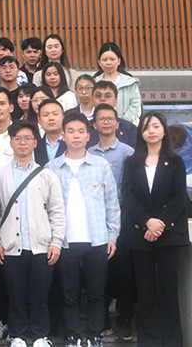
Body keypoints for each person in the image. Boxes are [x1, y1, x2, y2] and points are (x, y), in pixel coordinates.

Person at [0, 121, 65, 347]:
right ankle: (18, 335)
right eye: (18, 138)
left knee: (40, 294)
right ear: (11, 143)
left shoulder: (47, 175)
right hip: (10, 246)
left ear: (35, 142)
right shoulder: (0, 175)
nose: (22, 142)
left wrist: (56, 242)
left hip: (41, 245)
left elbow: (57, 211)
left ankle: (40, 335)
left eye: (27, 138)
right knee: (16, 294)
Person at [46, 112, 120, 347]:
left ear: (89, 136)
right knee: (69, 293)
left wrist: (112, 235)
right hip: (65, 241)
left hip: (97, 239)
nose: (76, 136)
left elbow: (112, 203)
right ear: (63, 136)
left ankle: (95, 334)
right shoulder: (52, 167)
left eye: (80, 131)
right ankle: (73, 335)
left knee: (97, 292)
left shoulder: (100, 165)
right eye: (71, 131)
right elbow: (46, 207)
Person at [121, 112, 189, 347]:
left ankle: (172, 341)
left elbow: (179, 198)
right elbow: (128, 196)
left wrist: (159, 223)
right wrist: (147, 222)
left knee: (168, 291)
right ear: (141, 133)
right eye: (146, 127)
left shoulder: (176, 161)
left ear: (163, 131)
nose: (151, 131)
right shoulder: (132, 163)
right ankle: (149, 340)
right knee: (146, 291)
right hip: (140, 235)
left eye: (156, 126)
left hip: (169, 235)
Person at [87, 103, 135, 341]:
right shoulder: (88, 152)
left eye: (110, 118)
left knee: (123, 270)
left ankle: (125, 319)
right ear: (94, 125)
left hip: (123, 216)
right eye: (101, 119)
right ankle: (102, 320)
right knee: (99, 270)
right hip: (96, 218)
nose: (106, 122)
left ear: (117, 124)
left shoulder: (128, 152)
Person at [95, 42, 141, 125]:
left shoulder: (130, 82)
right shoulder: (94, 83)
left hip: (127, 126)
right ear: (99, 62)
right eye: (104, 60)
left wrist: (121, 123)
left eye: (112, 59)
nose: (108, 63)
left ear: (119, 61)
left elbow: (135, 105)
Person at [90, 81, 138, 147]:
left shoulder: (130, 129)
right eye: (98, 96)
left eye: (107, 96)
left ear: (116, 101)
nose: (102, 99)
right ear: (92, 100)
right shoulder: (84, 128)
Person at [35, 99, 66, 165]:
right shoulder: (35, 146)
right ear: (39, 120)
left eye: (55, 114)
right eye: (46, 115)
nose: (51, 118)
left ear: (63, 118)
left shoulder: (72, 143)